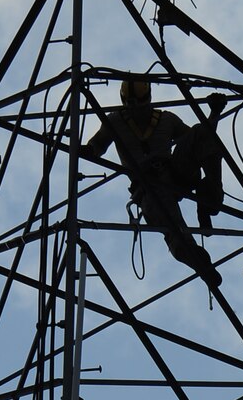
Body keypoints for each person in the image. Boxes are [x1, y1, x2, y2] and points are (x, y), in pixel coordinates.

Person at [85, 75, 225, 291]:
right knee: (174, 230)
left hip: (176, 172)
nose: (135, 109)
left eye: (139, 103)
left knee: (202, 135)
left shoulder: (166, 119)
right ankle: (200, 263)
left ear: (148, 99)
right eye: (130, 104)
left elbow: (202, 142)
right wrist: (89, 150)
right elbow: (98, 144)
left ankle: (209, 200)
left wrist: (214, 114)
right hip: (148, 187)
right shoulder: (115, 121)